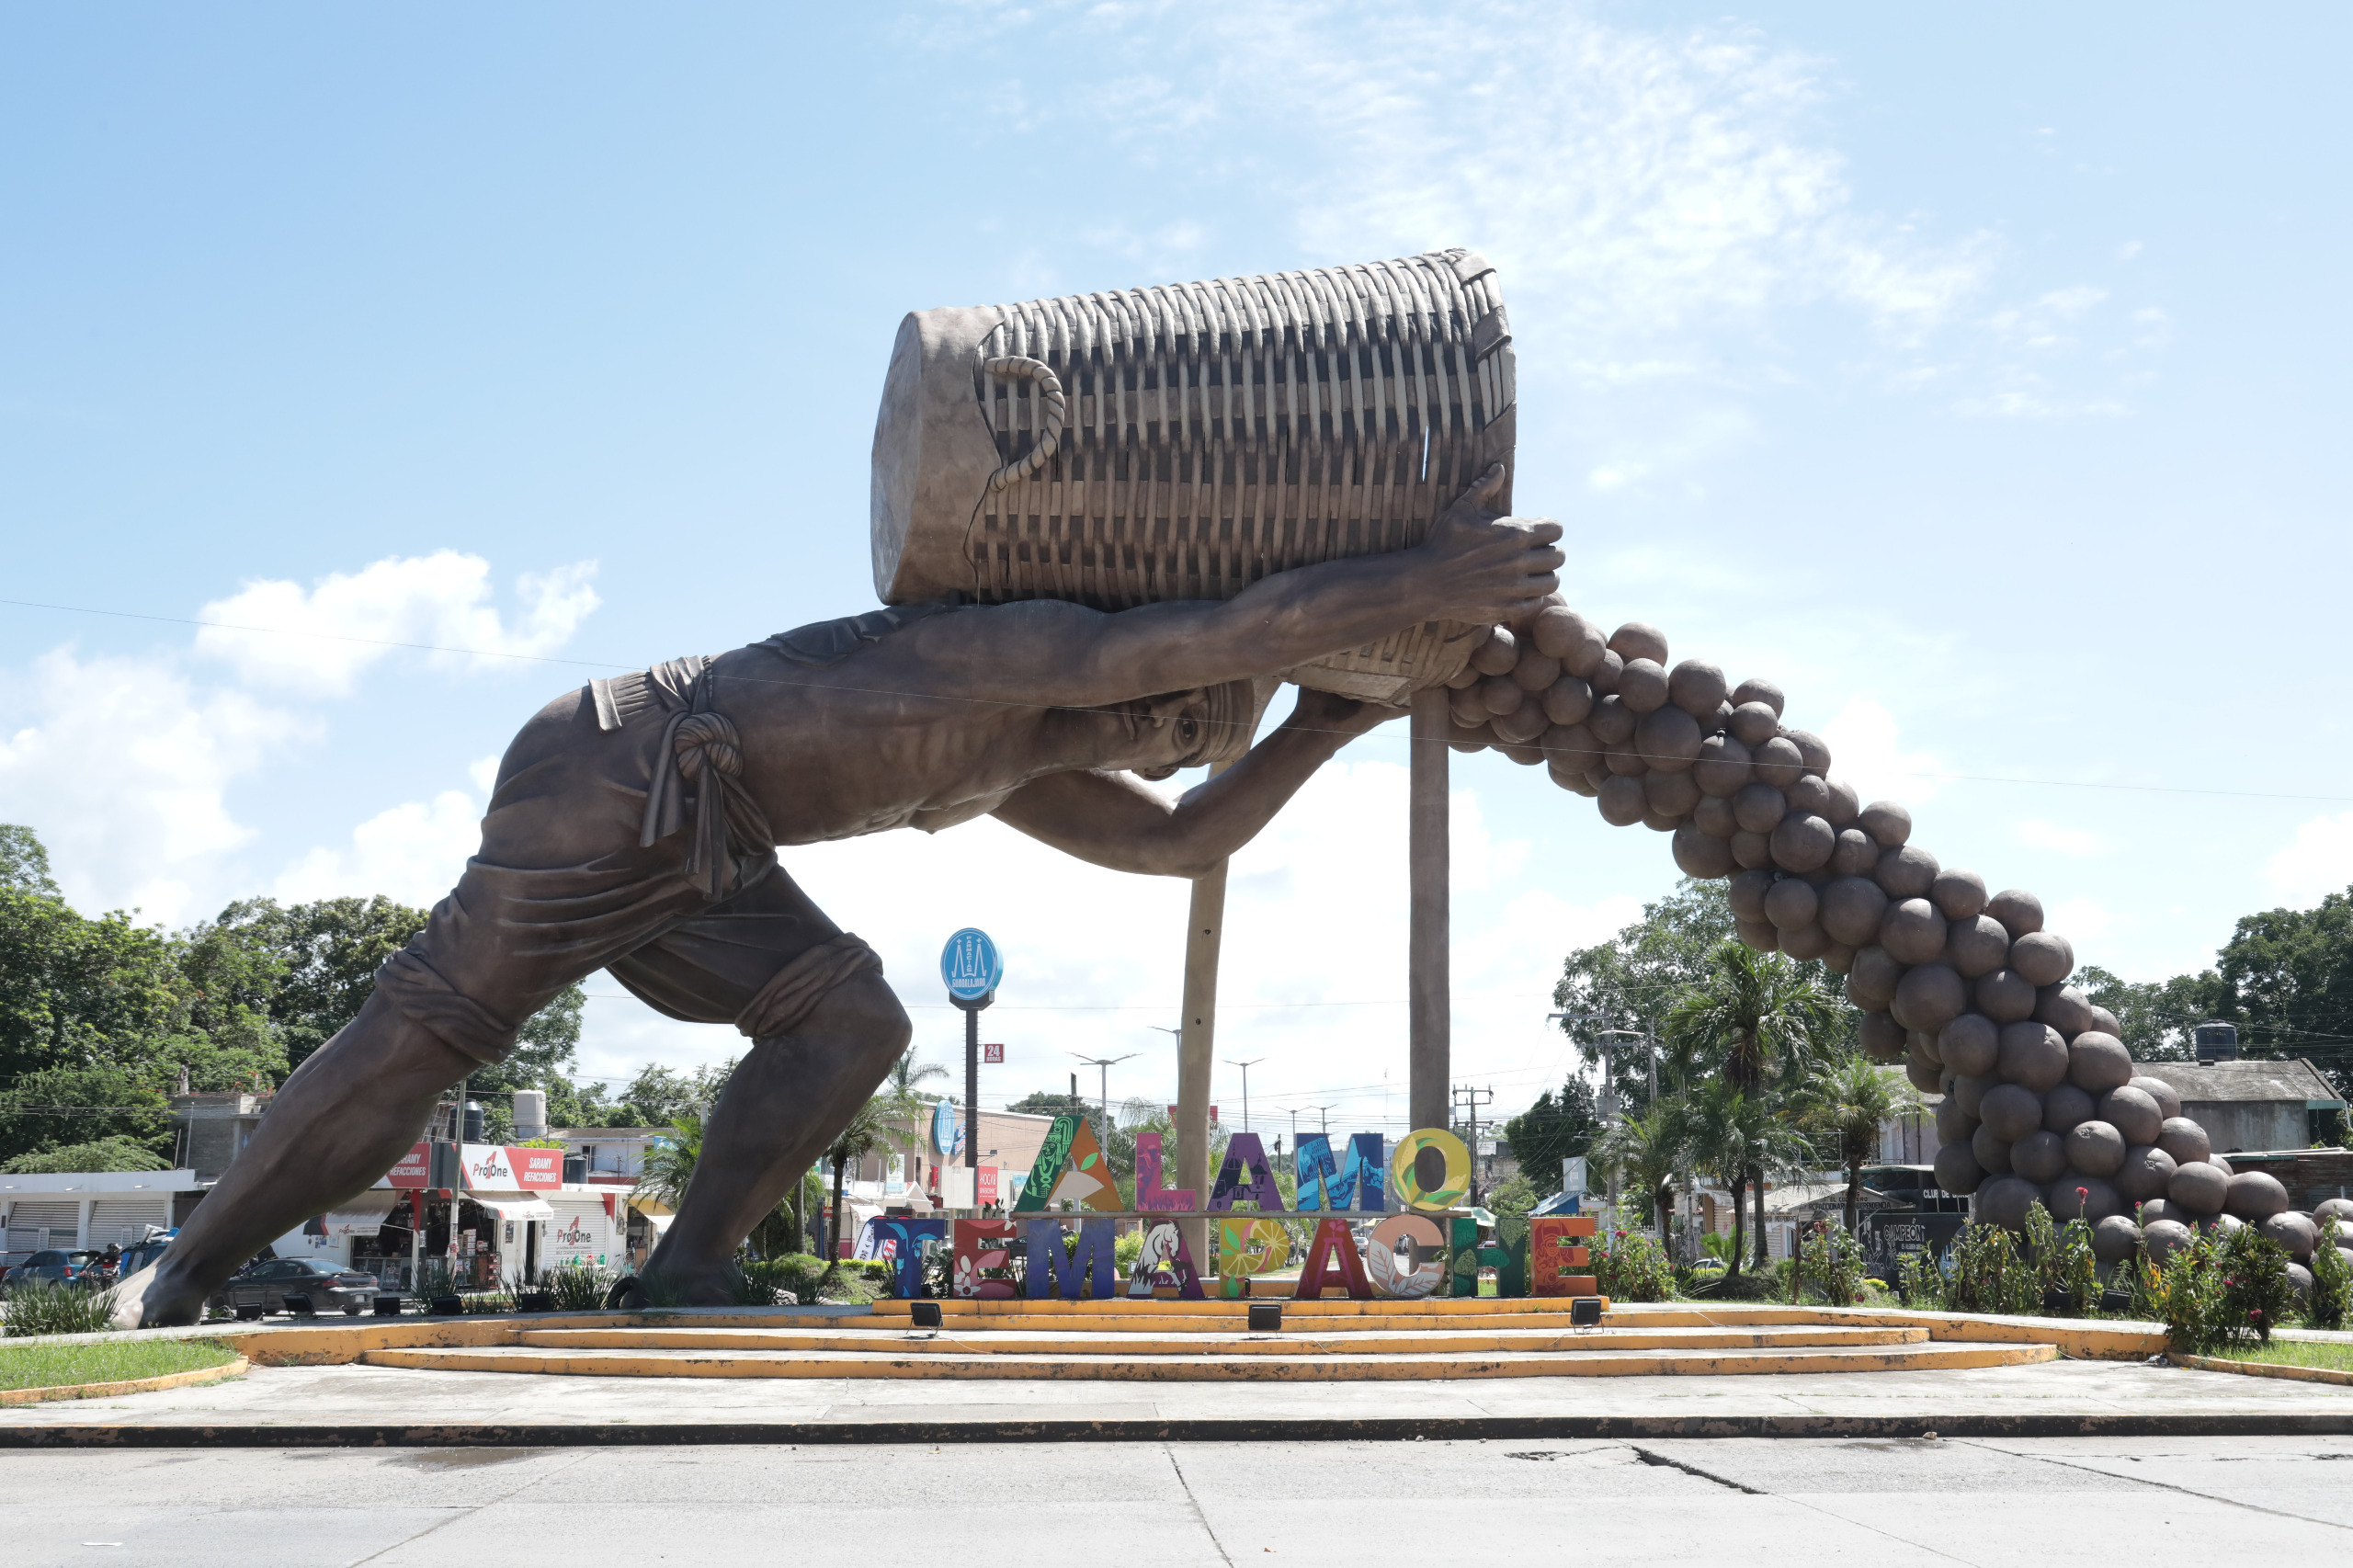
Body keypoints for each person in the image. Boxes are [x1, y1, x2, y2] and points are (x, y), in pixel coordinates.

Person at [112, 467, 1560, 1325]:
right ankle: (187, 1269)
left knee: (851, 1019)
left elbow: (1180, 847)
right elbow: (1226, 624)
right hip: (625, 765)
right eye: (1165, 716)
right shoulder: (1011, 653)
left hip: (711, 847)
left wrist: (1324, 723)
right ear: (1141, 670)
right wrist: (1415, 578)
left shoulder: (1024, 769)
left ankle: (687, 1267)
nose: (1153, 746)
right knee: (431, 1025)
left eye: (1179, 744)